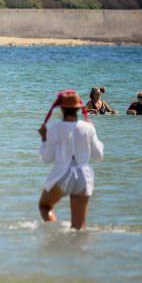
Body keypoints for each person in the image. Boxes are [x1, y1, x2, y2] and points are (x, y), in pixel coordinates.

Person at [37, 89, 104, 230]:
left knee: (45, 206)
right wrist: (94, 131)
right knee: (79, 228)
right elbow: (98, 155)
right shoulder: (88, 128)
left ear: (61, 108)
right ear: (78, 109)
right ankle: (78, 249)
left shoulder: (54, 128)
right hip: (83, 176)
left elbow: (46, 158)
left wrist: (44, 139)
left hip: (62, 174)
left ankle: (56, 236)